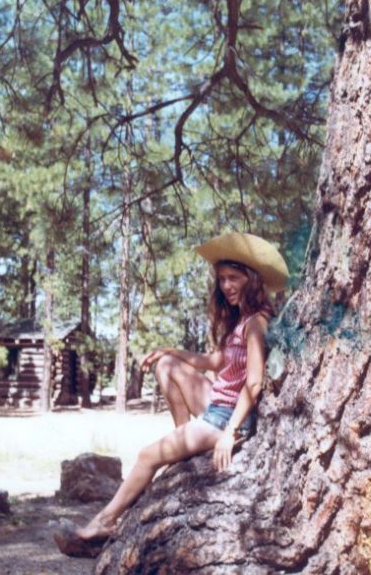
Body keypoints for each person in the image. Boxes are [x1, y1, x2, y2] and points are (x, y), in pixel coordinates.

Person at [54, 232, 288, 555]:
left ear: (252, 280)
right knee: (165, 365)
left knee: (147, 455)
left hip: (228, 419)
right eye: (221, 279)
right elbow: (217, 362)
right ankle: (181, 442)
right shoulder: (240, 321)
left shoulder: (256, 324)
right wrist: (172, 351)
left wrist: (229, 433)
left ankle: (103, 522)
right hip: (217, 404)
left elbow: (255, 383)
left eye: (234, 278)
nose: (227, 286)